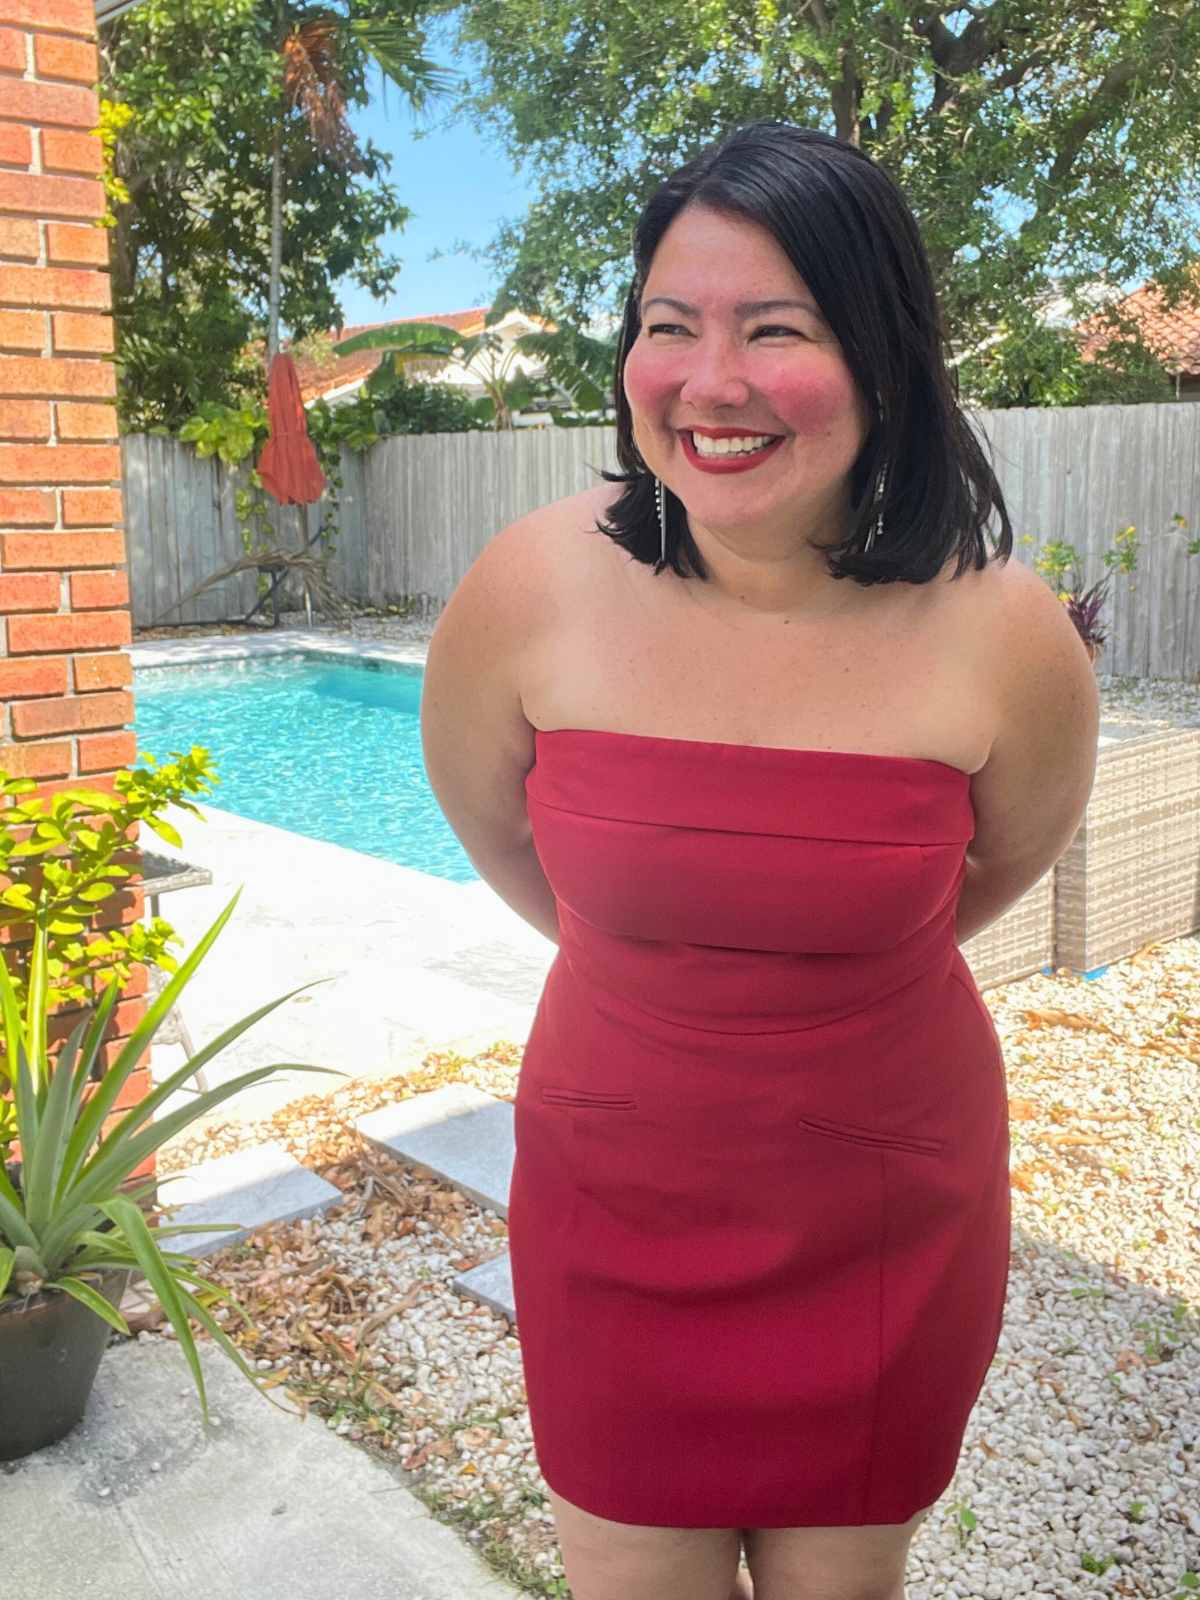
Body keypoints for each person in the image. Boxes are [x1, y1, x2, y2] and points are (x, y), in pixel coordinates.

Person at [421, 120, 1099, 1600]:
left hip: (880, 1208)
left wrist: (812, 951)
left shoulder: (1005, 634)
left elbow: (1000, 870)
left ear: (880, 356)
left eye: (773, 329)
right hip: (613, 1191)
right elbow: (496, 829)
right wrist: (655, 955)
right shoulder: (531, 586)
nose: (710, 381)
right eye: (671, 326)